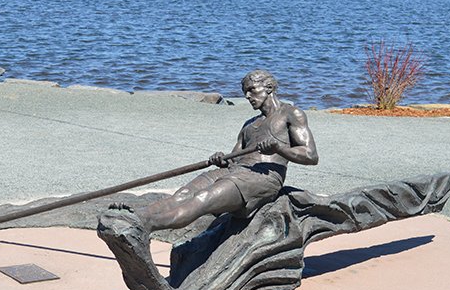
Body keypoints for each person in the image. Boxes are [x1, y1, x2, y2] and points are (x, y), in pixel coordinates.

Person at [132, 69, 318, 232]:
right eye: (245, 92)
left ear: (269, 88)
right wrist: (222, 159)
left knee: (203, 198)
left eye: (252, 90)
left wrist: (280, 147)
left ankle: (147, 224)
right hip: (235, 172)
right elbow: (234, 159)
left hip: (262, 178)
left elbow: (311, 156)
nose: (247, 96)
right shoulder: (249, 125)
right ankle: (136, 215)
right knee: (183, 194)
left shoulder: (290, 114)